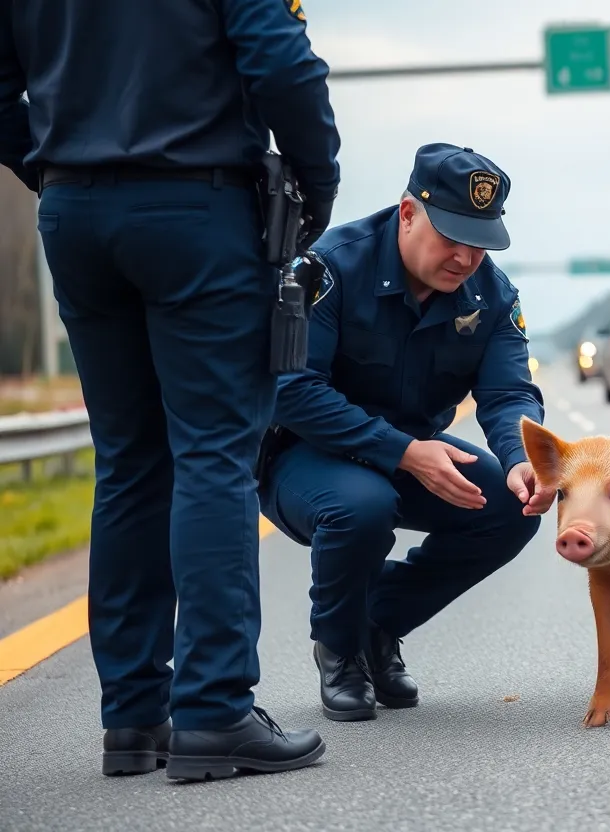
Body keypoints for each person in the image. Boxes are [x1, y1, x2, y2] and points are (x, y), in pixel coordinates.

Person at [1, 1, 341, 781]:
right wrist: (315, 183)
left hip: (75, 213)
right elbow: (282, 62)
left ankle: (132, 715)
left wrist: (53, 166)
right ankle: (215, 710)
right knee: (215, 453)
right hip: (198, 204)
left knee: (127, 460)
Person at [256, 142, 552, 722]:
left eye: (481, 241)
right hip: (305, 452)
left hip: (411, 451)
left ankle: (376, 625)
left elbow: (508, 393)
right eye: (452, 236)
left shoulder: (491, 296)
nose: (467, 257)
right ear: (409, 212)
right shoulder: (329, 267)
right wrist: (405, 453)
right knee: (364, 506)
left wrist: (523, 459)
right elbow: (291, 390)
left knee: (508, 507)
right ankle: (339, 649)